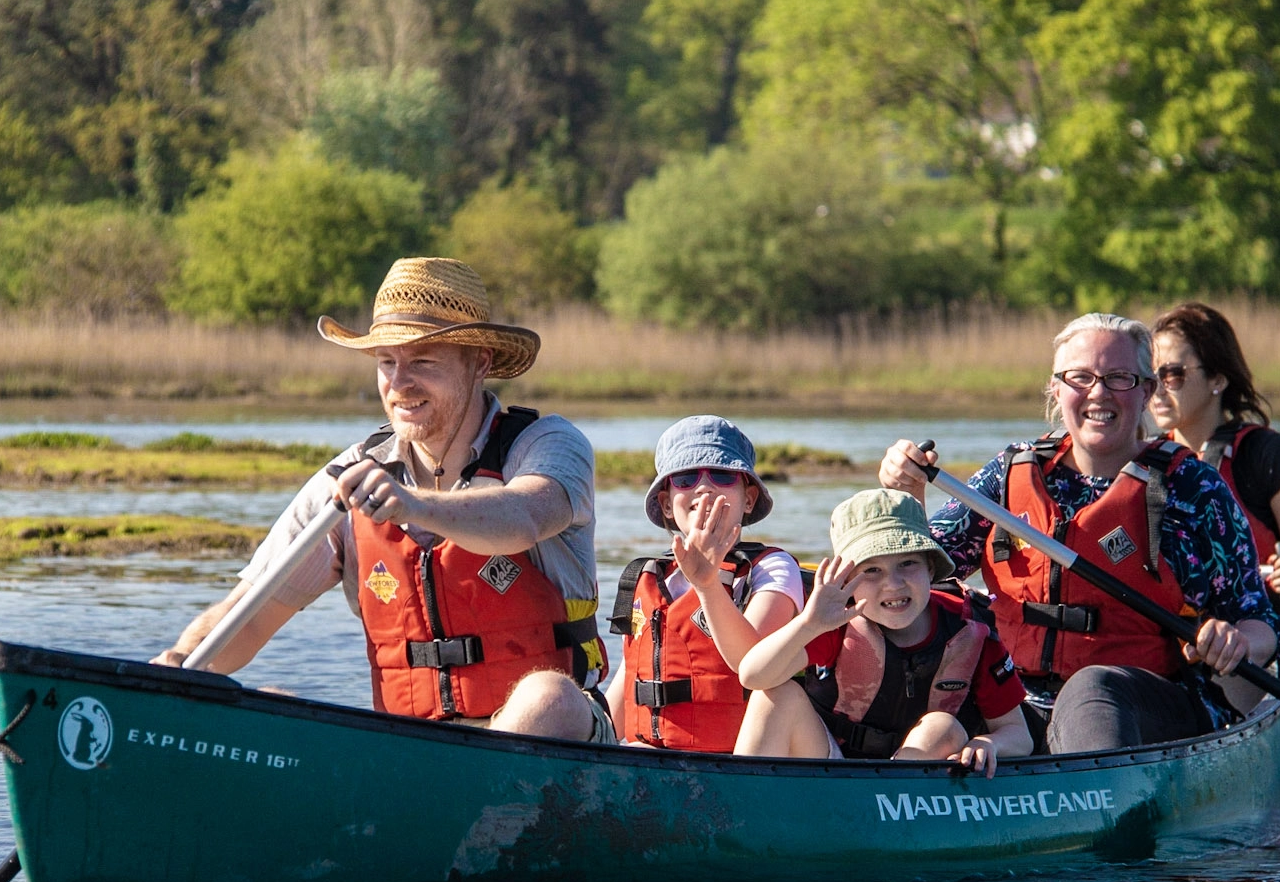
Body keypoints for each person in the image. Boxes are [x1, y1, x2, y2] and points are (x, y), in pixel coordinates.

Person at [155, 256, 611, 741]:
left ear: (480, 362)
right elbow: (248, 613)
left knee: (549, 696)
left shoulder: (548, 444)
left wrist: (413, 505)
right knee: (266, 710)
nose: (399, 384)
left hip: (551, 737)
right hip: (406, 746)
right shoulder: (348, 474)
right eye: (387, 363)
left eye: (423, 362)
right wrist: (181, 662)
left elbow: (523, 515)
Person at [878, 313, 1280, 754]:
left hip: (1142, 702)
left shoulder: (1195, 489)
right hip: (1012, 704)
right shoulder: (1008, 474)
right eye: (1080, 377)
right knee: (936, 714)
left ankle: (1097, 806)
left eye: (1119, 378)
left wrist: (1235, 639)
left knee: (1091, 690)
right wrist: (909, 493)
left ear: (1147, 390)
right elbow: (920, 572)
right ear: (1056, 388)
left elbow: (1258, 618)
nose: (1099, 393)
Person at [734, 490, 1033, 775]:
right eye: (872, 570)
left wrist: (988, 743)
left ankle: (882, 808)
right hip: (830, 771)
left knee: (942, 727)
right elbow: (752, 676)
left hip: (907, 788)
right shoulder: (833, 620)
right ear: (848, 580)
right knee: (774, 693)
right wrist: (808, 624)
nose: (893, 584)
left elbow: (1019, 735)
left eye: (907, 563)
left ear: (931, 569)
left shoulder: (970, 629)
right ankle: (743, 809)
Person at [605, 416, 805, 752]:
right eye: (685, 478)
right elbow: (624, 690)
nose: (704, 487)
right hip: (660, 755)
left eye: (723, 475)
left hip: (748, 759)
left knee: (777, 692)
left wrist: (707, 584)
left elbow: (753, 667)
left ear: (749, 499)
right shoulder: (644, 578)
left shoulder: (772, 568)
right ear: (667, 505)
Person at [1147, 302, 1280, 624]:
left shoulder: (1269, 455)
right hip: (1176, 638)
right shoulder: (1147, 460)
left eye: (1173, 374)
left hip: (1252, 638)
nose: (1158, 389)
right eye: (1150, 375)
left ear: (1217, 379)